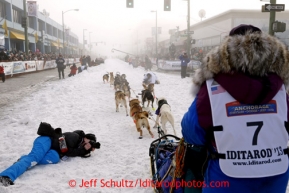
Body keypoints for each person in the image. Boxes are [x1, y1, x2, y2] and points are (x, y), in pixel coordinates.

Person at [181, 24, 289, 193]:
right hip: (275, 175)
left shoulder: (212, 88)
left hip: (227, 176)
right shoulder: (281, 89)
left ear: (225, 51)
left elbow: (192, 131)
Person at [0, 122, 100, 187]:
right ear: (86, 138)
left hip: (52, 150)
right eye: (90, 141)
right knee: (33, 159)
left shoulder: (79, 145)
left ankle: (24, 160)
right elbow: (67, 151)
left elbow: (72, 152)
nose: (90, 145)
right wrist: (83, 150)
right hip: (46, 141)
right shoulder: (75, 136)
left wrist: (86, 150)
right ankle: (6, 176)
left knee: (54, 158)